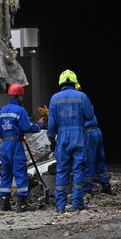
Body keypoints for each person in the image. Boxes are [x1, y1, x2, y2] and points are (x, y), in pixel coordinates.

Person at [47, 69, 94, 213]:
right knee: (79, 170)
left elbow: (51, 123)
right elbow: (90, 115)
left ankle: (60, 206)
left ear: (61, 82)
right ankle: (77, 204)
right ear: (74, 81)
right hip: (78, 136)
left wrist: (51, 138)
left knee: (62, 170)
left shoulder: (54, 98)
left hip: (62, 138)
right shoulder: (81, 96)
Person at [0, 83, 43, 212]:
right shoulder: (20, 110)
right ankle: (22, 204)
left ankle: (4, 204)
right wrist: (39, 125)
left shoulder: (3, 110)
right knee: (20, 172)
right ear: (19, 96)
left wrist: (10, 135)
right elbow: (26, 127)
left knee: (6, 173)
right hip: (15, 145)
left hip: (5, 144)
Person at [75, 84, 112, 195]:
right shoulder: (85, 100)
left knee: (88, 161)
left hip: (89, 133)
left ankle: (87, 189)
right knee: (99, 160)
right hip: (96, 131)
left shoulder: (77, 102)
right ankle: (106, 185)